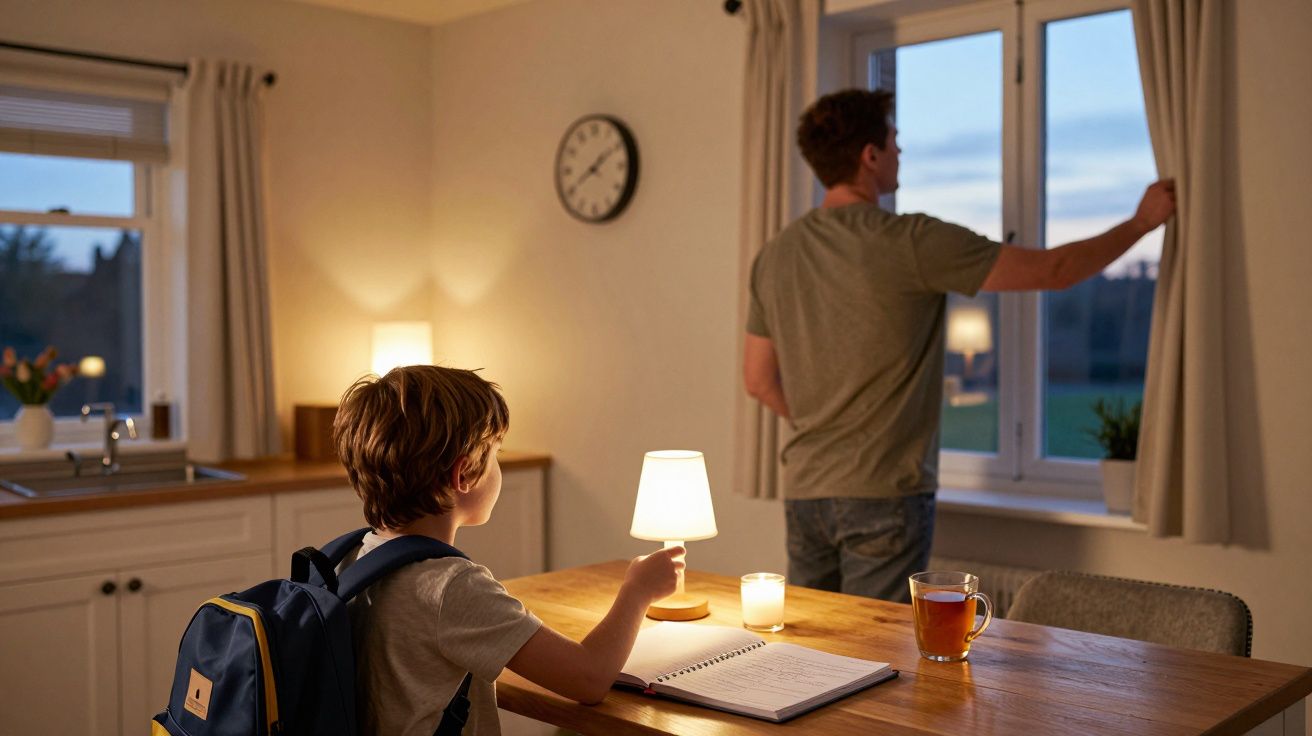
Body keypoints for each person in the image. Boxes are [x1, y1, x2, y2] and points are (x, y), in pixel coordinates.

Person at [743, 88, 1175, 603]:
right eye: (894, 141)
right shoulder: (910, 241)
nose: (900, 151)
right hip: (884, 493)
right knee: (875, 645)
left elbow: (758, 380)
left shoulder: (776, 254)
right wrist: (1141, 223)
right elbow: (1054, 270)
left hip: (805, 492)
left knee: (810, 643)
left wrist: (826, 424)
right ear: (870, 155)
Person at [334, 365, 684, 735]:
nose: (498, 466)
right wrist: (637, 590)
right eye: (495, 453)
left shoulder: (352, 558)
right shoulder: (451, 586)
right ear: (464, 474)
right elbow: (589, 678)